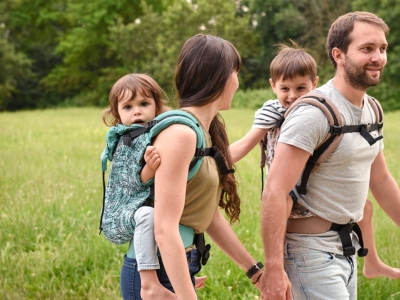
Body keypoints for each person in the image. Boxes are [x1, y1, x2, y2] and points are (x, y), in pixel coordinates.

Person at [231, 42, 400, 282]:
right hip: (288, 180)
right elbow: (246, 144)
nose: (291, 95)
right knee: (285, 200)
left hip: (310, 174)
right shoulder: (272, 110)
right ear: (273, 86)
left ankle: (372, 262)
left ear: (315, 84)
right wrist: (214, 159)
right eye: (284, 88)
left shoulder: (317, 108)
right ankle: (275, 268)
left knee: (364, 207)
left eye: (300, 88)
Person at [119, 34, 263, 299]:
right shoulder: (181, 134)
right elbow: (164, 227)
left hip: (176, 265)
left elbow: (205, 214)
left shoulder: (202, 133)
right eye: (235, 72)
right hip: (157, 274)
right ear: (220, 77)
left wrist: (256, 273)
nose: (238, 82)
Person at [101, 73, 208, 299]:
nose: (136, 111)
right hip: (122, 210)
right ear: (117, 114)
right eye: (128, 107)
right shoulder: (127, 140)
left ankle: (178, 275)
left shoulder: (153, 132)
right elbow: (129, 181)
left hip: (139, 208)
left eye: (144, 104)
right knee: (149, 215)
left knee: (152, 215)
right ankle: (148, 281)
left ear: (157, 106)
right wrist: (149, 169)